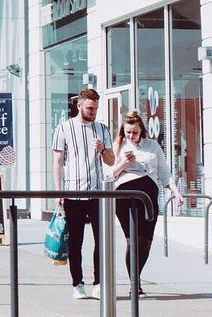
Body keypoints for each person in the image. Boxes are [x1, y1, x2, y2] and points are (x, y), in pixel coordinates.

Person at [53, 87, 115, 298]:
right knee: (76, 241)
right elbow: (58, 162)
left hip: (97, 192)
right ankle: (77, 284)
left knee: (101, 239)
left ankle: (99, 283)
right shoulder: (64, 128)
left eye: (96, 108)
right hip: (73, 192)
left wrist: (103, 150)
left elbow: (111, 160)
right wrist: (58, 192)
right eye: (90, 108)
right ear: (78, 105)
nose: (93, 112)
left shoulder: (102, 129)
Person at [109, 109, 181, 282]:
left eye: (135, 132)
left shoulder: (152, 146)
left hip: (148, 197)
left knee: (146, 242)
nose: (131, 136)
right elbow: (109, 174)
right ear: (123, 131)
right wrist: (124, 163)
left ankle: (137, 275)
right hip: (125, 196)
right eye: (128, 133)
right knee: (133, 241)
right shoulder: (119, 145)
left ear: (141, 130)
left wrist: (175, 191)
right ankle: (135, 282)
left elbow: (164, 172)